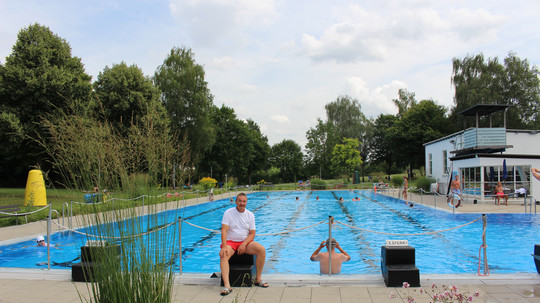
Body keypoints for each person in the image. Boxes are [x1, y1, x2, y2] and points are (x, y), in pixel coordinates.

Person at [219, 193, 268, 296]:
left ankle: (258, 279)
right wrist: (224, 247)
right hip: (231, 242)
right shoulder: (228, 213)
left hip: (245, 242)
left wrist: (244, 244)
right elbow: (224, 230)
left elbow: (252, 233)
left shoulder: (250, 215)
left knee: (261, 250)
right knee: (223, 254)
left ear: (246, 202)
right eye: (240, 201)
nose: (242, 203)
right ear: (236, 201)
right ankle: (227, 286)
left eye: (244, 201)